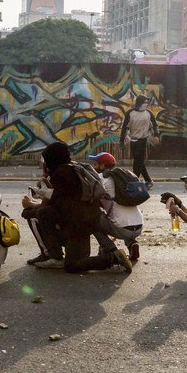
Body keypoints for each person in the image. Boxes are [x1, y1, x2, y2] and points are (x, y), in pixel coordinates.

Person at [21, 142, 132, 274]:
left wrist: (31, 204)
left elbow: (51, 204)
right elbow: (60, 201)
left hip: (75, 228)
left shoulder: (61, 174)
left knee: (33, 213)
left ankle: (55, 256)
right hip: (87, 224)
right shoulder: (76, 167)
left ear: (52, 158)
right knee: (73, 263)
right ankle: (111, 257)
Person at [88, 152, 144, 261]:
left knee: (93, 222)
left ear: (102, 166)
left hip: (122, 229)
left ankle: (111, 249)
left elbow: (91, 194)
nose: (94, 168)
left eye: (95, 165)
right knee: (116, 216)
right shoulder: (123, 177)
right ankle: (132, 243)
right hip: (138, 226)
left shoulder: (102, 178)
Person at [119, 95, 159, 187]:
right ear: (139, 103)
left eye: (147, 103)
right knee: (138, 161)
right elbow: (124, 127)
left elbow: (155, 125)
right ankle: (148, 181)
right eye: (144, 102)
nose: (146, 104)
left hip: (142, 140)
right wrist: (121, 141)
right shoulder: (130, 113)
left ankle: (134, 182)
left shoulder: (148, 113)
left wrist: (156, 135)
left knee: (137, 162)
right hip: (133, 140)